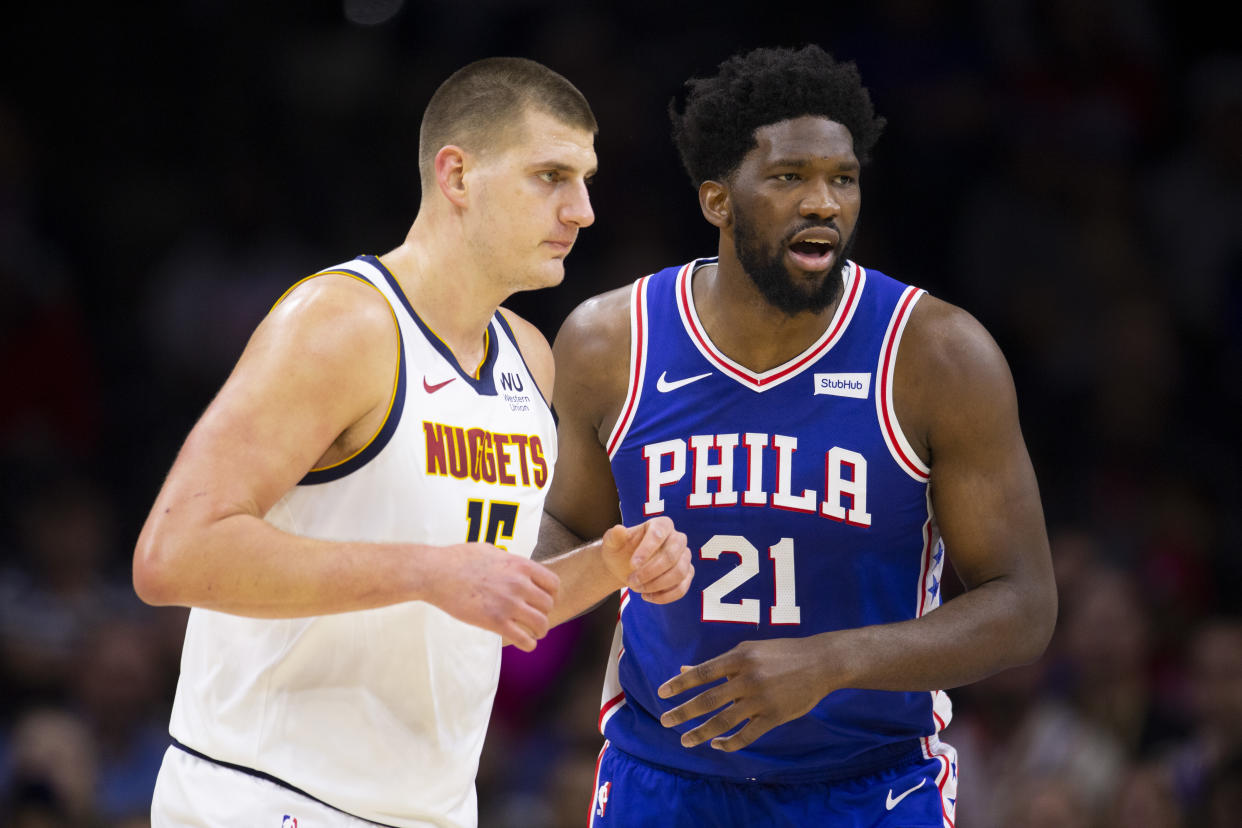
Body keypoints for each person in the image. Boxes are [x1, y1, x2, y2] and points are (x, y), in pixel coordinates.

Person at [132, 57, 692, 828]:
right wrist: (430, 572)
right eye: (552, 176)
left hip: (430, 808)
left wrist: (608, 565)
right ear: (458, 175)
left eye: (586, 179)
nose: (583, 210)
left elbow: (483, 593)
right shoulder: (343, 324)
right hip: (267, 793)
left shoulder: (528, 355)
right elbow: (175, 556)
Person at [543, 44, 1057, 826]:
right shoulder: (609, 343)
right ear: (718, 199)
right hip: (663, 777)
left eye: (842, 179)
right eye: (790, 178)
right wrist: (566, 569)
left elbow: (1023, 604)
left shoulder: (936, 355)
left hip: (867, 785)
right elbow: (569, 529)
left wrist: (831, 662)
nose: (824, 202)